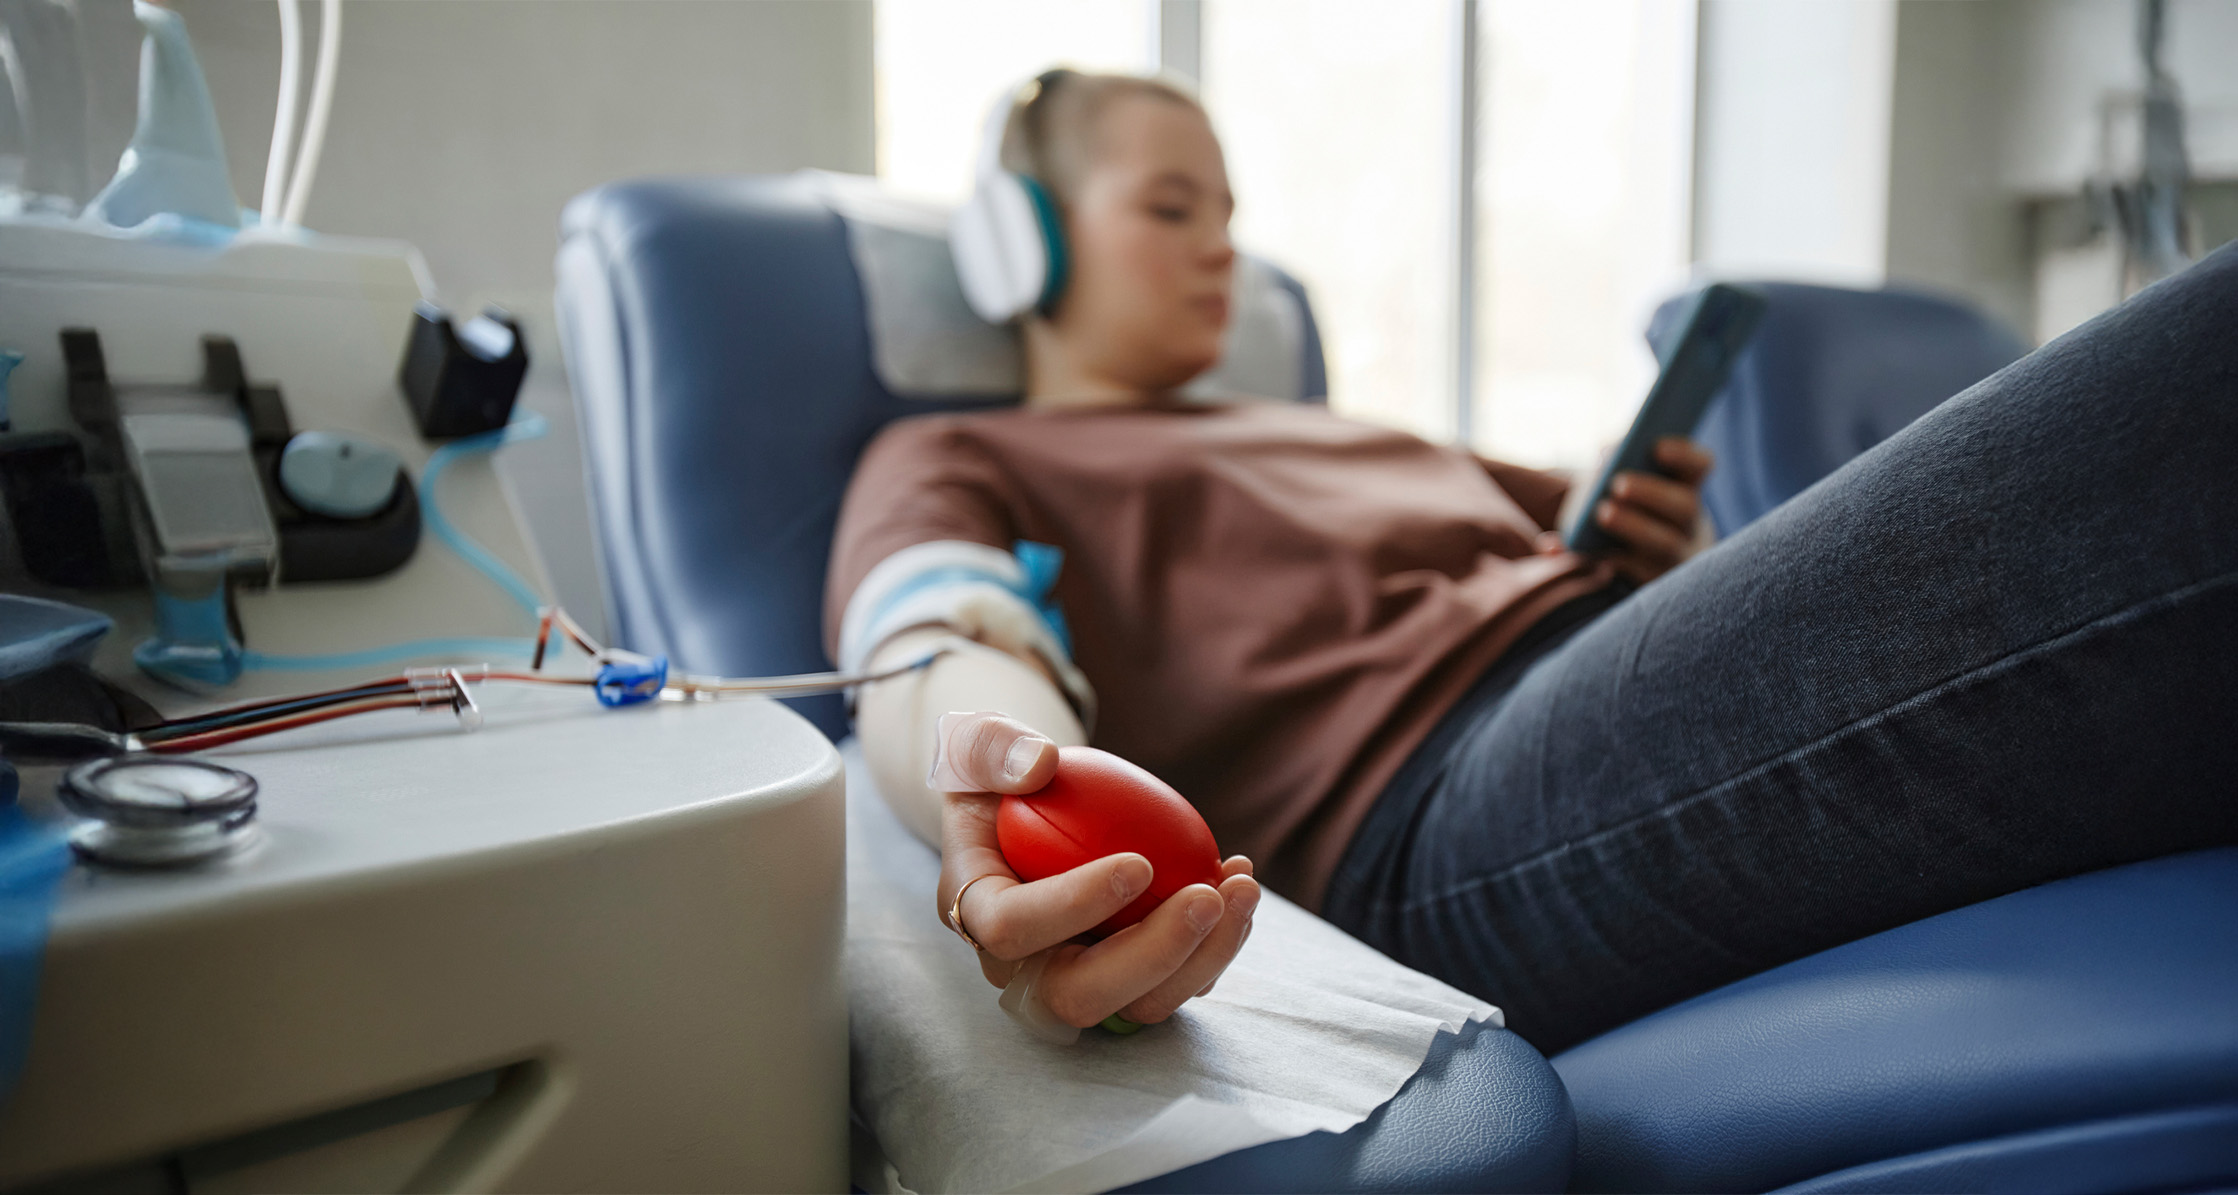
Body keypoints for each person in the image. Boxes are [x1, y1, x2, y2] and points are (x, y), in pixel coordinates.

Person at [831, 69, 2238, 1053]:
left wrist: (1659, 549)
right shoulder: (966, 453)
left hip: (1587, 698)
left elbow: (1597, 555)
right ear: (1025, 244)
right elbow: (935, 639)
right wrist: (993, 788)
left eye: (1230, 211)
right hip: (1439, 804)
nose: (1225, 252)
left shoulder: (1340, 431)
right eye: (1169, 207)